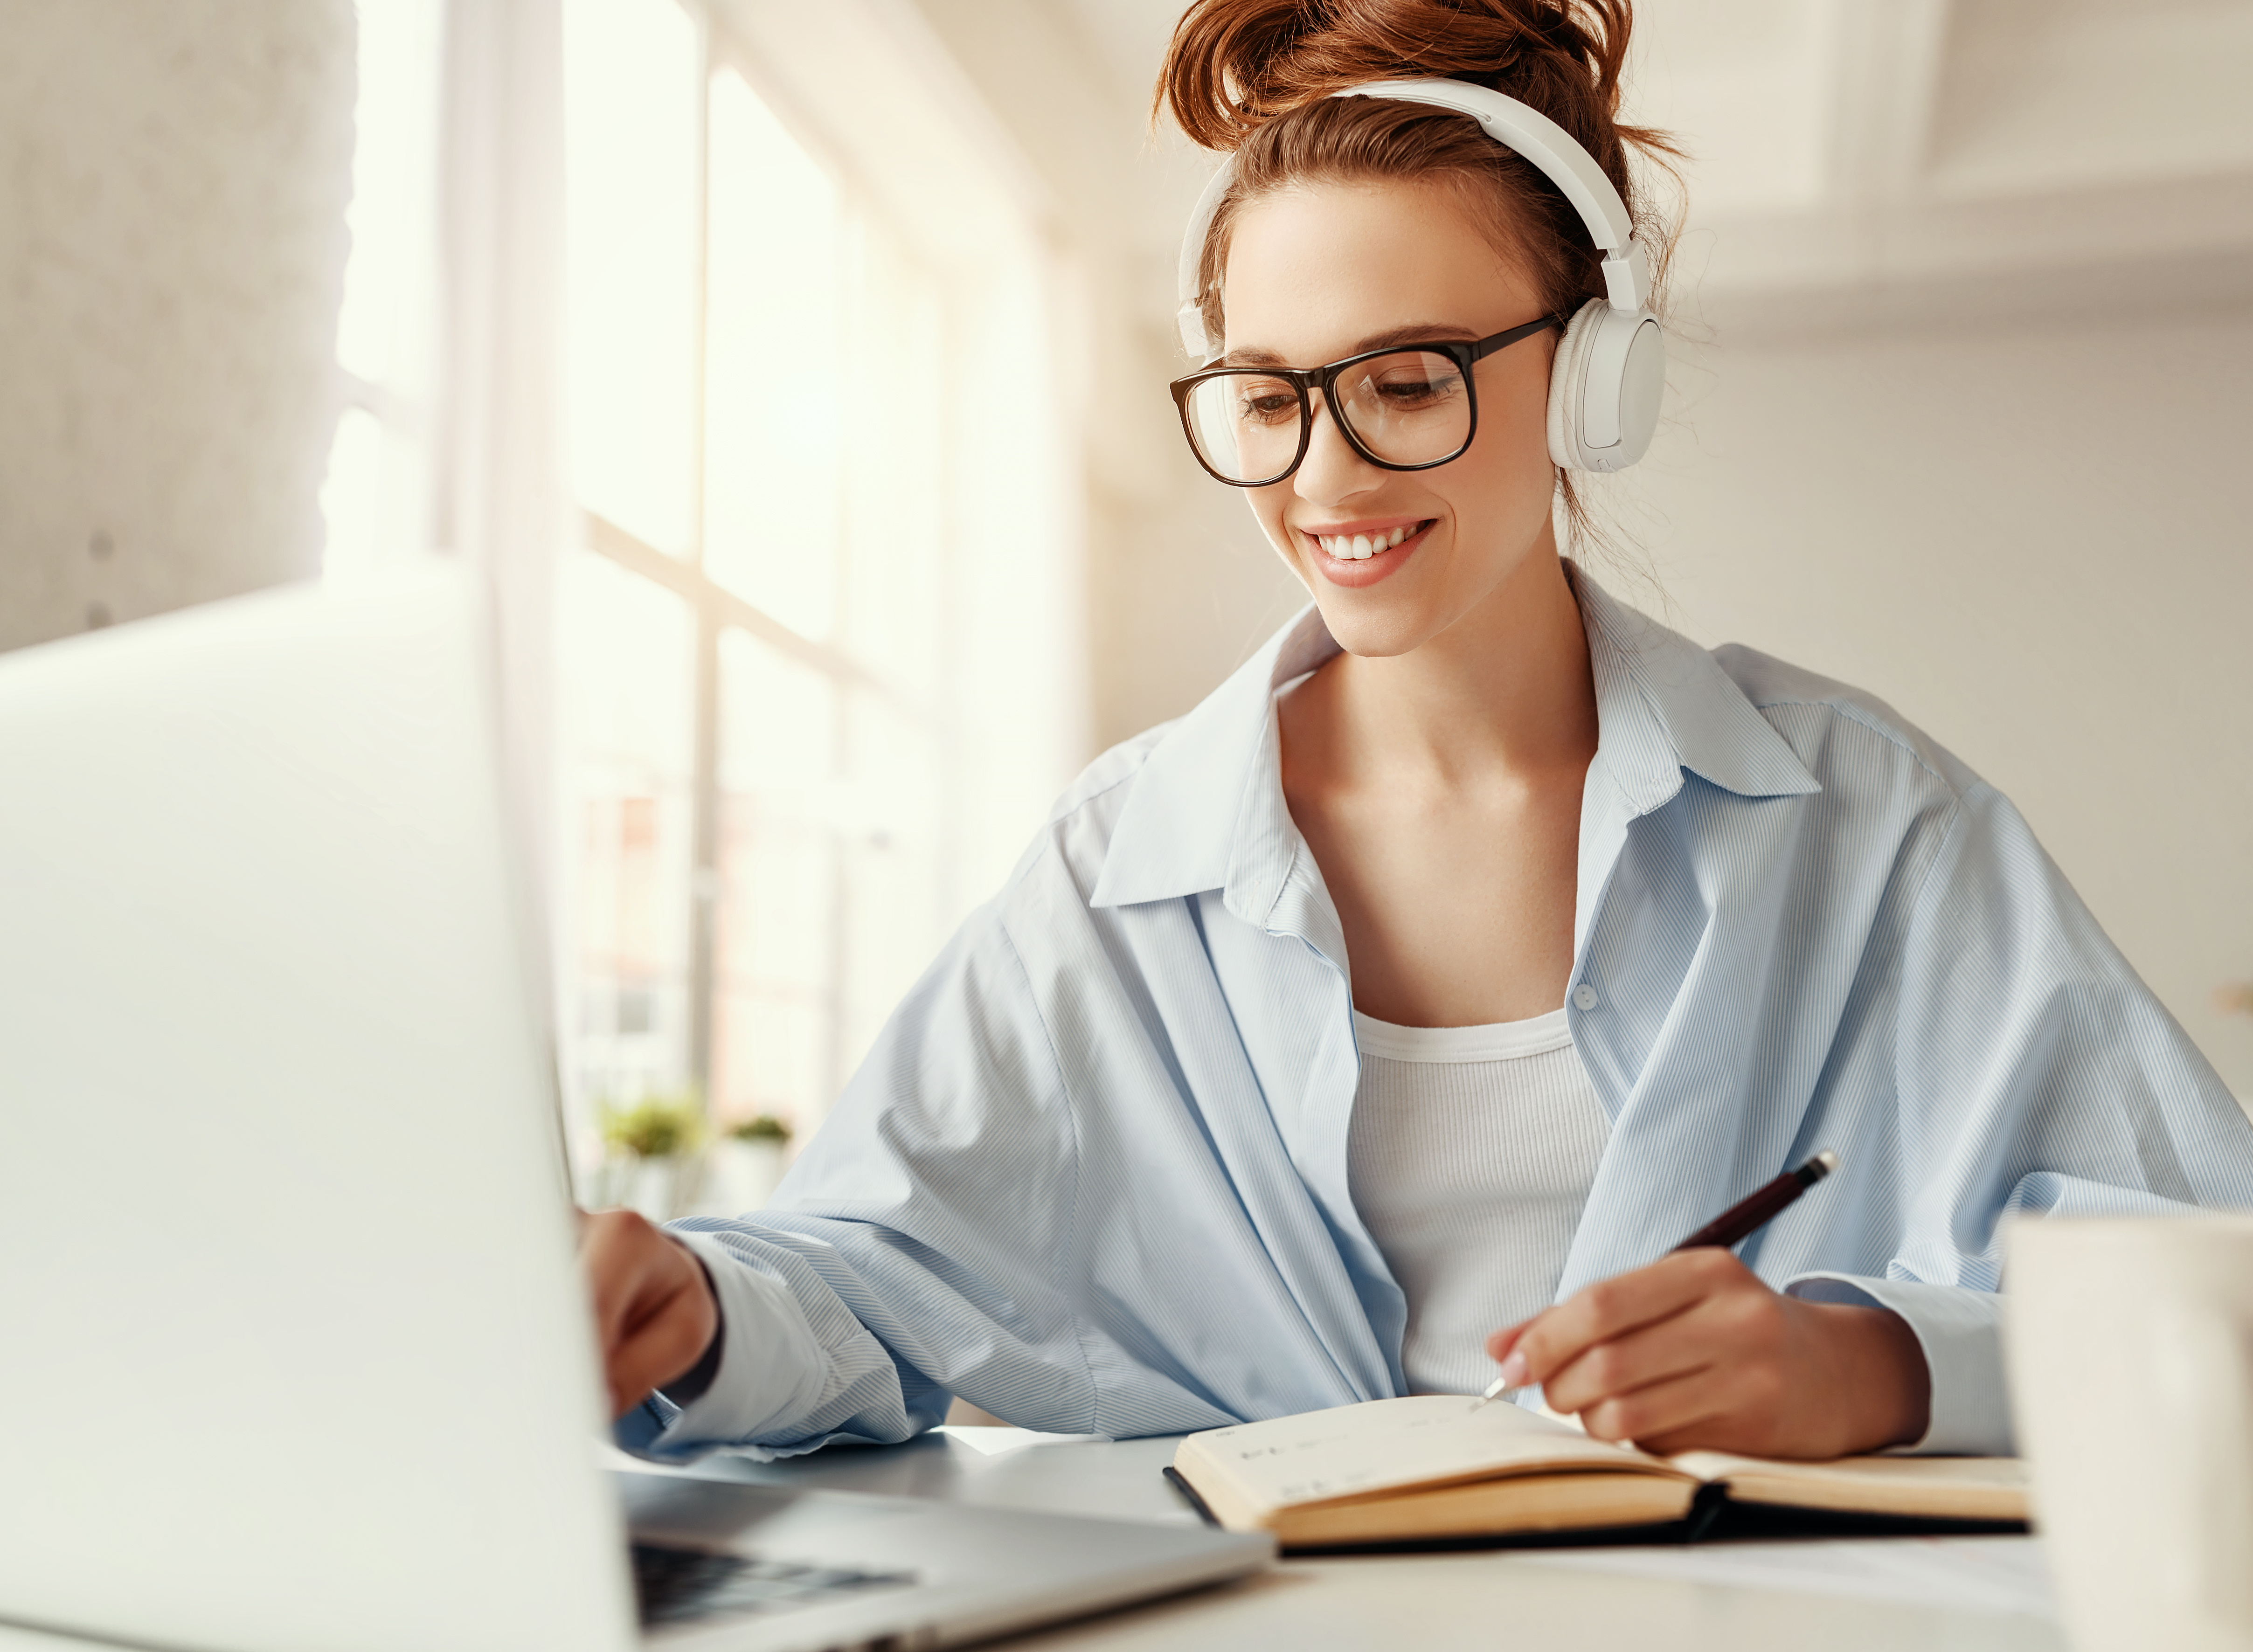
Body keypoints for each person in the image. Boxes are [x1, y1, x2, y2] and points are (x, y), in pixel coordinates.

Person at [583, 0, 2253, 1465]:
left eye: (1405, 382)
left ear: (1595, 376)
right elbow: (871, 1267)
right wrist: (700, 1309)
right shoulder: (1119, 868)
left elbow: (2210, 1269)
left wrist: (1872, 1367)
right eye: (1267, 396)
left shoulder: (1869, 822)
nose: (1324, 477)